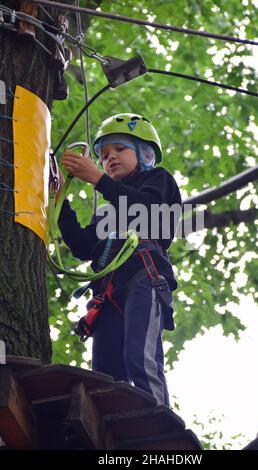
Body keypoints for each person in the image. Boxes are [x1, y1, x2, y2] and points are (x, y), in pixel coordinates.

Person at [56, 113, 182, 407]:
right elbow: (83, 245)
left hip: (144, 279)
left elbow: (149, 211)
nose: (109, 159)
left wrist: (98, 180)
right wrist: (60, 197)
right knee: (104, 375)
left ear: (145, 153)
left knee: (138, 356)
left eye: (119, 150)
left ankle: (157, 421)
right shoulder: (107, 211)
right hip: (108, 293)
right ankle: (110, 433)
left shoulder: (158, 180)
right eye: (102, 156)